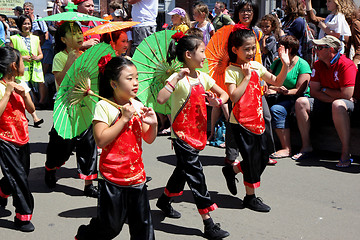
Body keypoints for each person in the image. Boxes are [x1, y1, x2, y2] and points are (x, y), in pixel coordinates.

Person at [156, 33, 230, 240]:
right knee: (196, 175)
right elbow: (161, 99)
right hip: (181, 135)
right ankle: (208, 222)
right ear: (188, 54)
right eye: (201, 51)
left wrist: (217, 102)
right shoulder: (177, 77)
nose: (205, 56)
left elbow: (223, 94)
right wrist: (175, 79)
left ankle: (164, 200)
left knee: (182, 171)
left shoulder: (203, 77)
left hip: (198, 134)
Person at [75, 56, 157, 240]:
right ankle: (85, 235)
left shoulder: (137, 104)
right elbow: (101, 140)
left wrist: (154, 124)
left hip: (137, 176)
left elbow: (149, 138)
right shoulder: (104, 106)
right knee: (110, 227)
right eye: (129, 78)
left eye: (136, 77)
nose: (135, 83)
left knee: (144, 228)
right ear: (113, 84)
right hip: (112, 178)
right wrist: (124, 119)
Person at [222, 25, 290, 212]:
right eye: (247, 49)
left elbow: (276, 81)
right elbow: (233, 97)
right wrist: (245, 77)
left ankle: (232, 170)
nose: (251, 52)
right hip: (241, 123)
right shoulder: (231, 71)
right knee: (252, 160)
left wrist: (285, 65)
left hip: (258, 121)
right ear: (235, 50)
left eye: (253, 48)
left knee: (262, 158)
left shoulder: (256, 66)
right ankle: (250, 197)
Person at [44, 21, 98, 198]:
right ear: (63, 39)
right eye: (73, 33)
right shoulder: (60, 56)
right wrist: (70, 61)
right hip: (67, 108)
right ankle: (51, 168)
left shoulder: (87, 54)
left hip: (87, 107)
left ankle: (89, 183)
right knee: (61, 146)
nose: (79, 35)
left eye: (80, 31)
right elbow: (60, 82)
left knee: (89, 146)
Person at [292, 35, 357, 168]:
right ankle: (306, 147)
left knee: (338, 104)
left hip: (347, 106)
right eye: (315, 47)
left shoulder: (346, 64)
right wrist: (331, 94)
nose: (315, 50)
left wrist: (325, 89)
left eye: (320, 47)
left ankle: (346, 152)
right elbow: (315, 91)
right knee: (301, 102)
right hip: (327, 102)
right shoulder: (318, 64)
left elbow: (347, 95)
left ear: (331, 49)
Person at [227, 0, 277, 165]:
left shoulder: (257, 32)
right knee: (236, 118)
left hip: (256, 74)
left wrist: (260, 77)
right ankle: (232, 156)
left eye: (249, 10)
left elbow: (259, 55)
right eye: (242, 10)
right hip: (239, 74)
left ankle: (266, 151)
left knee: (265, 116)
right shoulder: (231, 31)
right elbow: (227, 53)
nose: (246, 13)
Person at [0, 46, 36, 232]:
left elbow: (30, 109)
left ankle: (0, 193)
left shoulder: (22, 83)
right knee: (19, 179)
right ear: (14, 65)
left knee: (19, 174)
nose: (24, 64)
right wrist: (7, 93)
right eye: (22, 61)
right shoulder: (0, 87)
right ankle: (23, 216)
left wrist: (24, 94)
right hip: (5, 140)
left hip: (22, 137)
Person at [266, 35, 311, 159]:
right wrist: (275, 89)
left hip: (294, 98)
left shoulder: (302, 64)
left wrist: (284, 92)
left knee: (277, 109)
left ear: (289, 49)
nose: (277, 49)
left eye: (280, 46)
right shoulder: (276, 63)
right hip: (278, 95)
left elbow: (300, 90)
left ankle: (287, 148)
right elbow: (267, 81)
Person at [9, 15, 44, 128]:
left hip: (34, 72)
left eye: (29, 23)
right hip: (20, 72)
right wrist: (22, 58)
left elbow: (41, 54)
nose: (27, 26)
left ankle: (24, 115)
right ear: (20, 25)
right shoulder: (14, 39)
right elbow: (11, 54)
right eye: (24, 23)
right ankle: (35, 117)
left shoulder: (35, 38)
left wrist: (37, 57)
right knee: (25, 93)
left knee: (26, 94)